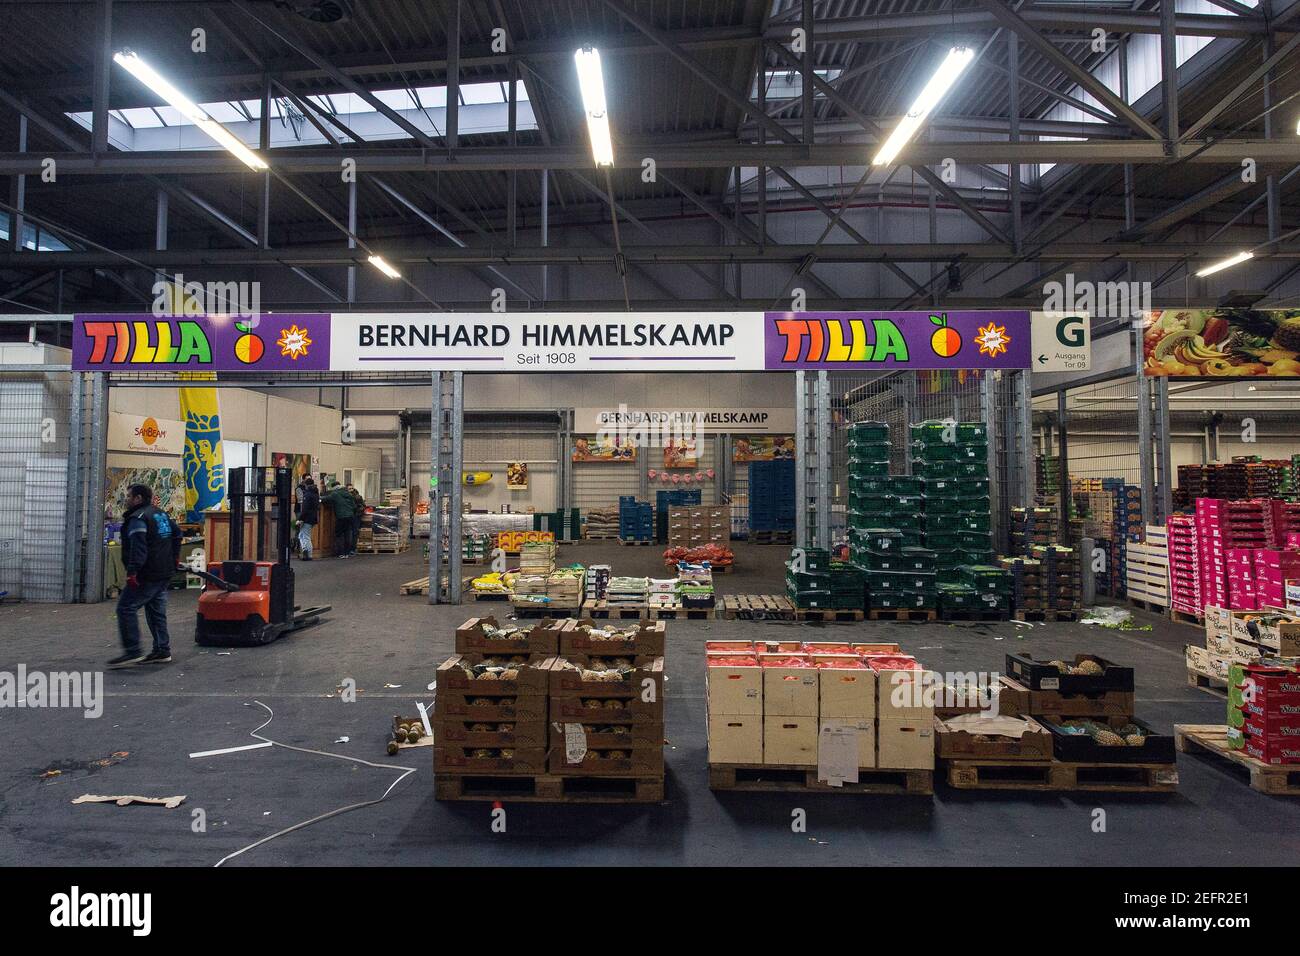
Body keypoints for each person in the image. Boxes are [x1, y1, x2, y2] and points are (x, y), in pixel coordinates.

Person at [109, 483, 181, 668]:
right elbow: (177, 534)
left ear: (138, 498)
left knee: (125, 608)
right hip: (163, 573)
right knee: (156, 611)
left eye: (129, 496)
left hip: (147, 574)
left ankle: (133, 651)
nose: (126, 499)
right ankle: (162, 650)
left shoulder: (138, 518)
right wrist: (174, 558)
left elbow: (138, 548)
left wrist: (133, 571)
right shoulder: (160, 514)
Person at [322, 480, 356, 558]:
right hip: (350, 516)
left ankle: (341, 553)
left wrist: (319, 499)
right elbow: (354, 506)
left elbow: (325, 499)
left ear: (334, 488)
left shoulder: (335, 494)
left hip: (341, 516)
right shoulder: (348, 493)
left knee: (339, 534)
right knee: (348, 534)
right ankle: (347, 553)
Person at [296, 475, 319, 561]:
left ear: (306, 485)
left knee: (305, 536)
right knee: (303, 535)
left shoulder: (307, 494)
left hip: (307, 518)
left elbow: (305, 509)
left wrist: (300, 519)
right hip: (312, 517)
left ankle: (307, 553)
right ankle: (307, 552)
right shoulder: (315, 493)